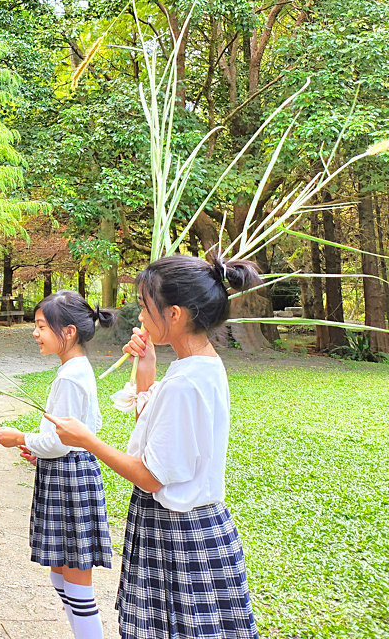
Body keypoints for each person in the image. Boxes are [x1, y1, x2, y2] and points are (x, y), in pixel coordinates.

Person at [46, 254, 261, 639]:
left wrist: (87, 441)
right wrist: (147, 366)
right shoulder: (200, 367)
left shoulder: (184, 384)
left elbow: (149, 475)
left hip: (180, 536)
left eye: (146, 307)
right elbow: (159, 438)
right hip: (190, 528)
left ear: (174, 314)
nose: (140, 317)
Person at [0, 290, 114, 639]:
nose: (35, 333)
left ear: (69, 332)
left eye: (42, 326)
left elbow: (61, 442)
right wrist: (38, 450)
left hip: (71, 482)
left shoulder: (71, 376)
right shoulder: (73, 370)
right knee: (61, 576)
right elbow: (64, 440)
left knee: (76, 584)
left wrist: (21, 438)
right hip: (63, 475)